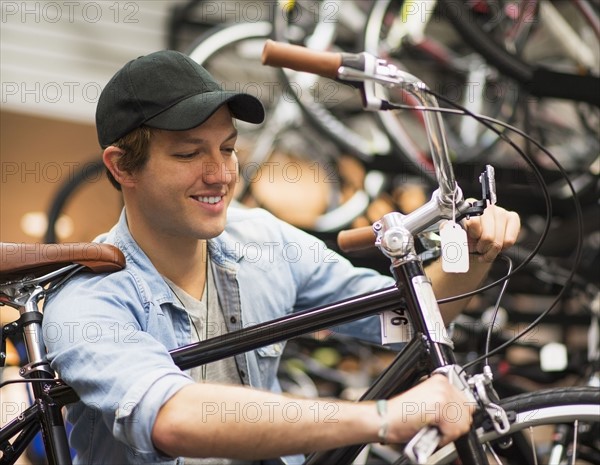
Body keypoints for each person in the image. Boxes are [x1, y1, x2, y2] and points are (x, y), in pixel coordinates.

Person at [43, 50, 520, 465]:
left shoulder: (264, 241)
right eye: (189, 154)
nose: (219, 174)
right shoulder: (86, 301)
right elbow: (172, 417)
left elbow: (398, 319)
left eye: (228, 148)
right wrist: (381, 418)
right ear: (122, 165)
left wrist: (474, 256)